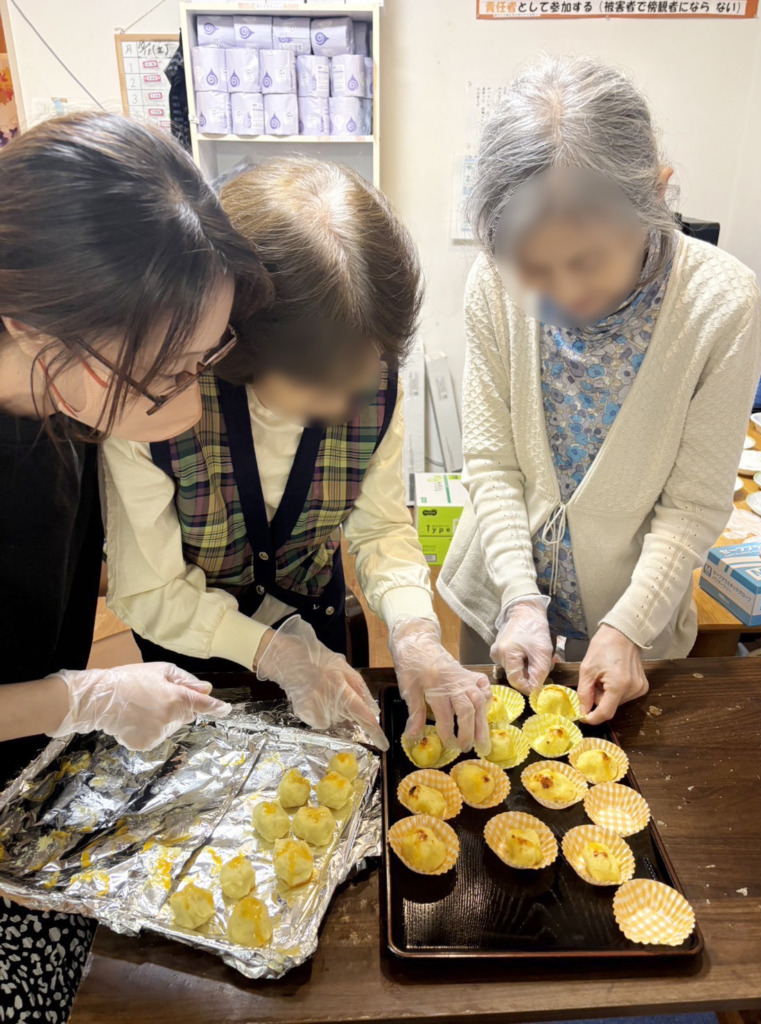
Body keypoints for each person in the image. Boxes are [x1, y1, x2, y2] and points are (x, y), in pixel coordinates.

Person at [0, 111, 271, 1022]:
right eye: (168, 375)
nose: (191, 409)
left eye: (208, 361)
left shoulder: (59, 404)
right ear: (43, 339)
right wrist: (80, 699)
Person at [101, 157, 491, 756]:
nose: (344, 404)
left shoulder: (372, 381)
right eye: (319, 386)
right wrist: (270, 651)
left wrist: (415, 632)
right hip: (196, 659)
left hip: (321, 627)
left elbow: (382, 527)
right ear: (241, 344)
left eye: (361, 377)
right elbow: (150, 591)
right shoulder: (157, 397)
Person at [439, 55, 761, 724]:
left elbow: (693, 504)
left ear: (656, 194)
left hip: (633, 614)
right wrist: (519, 599)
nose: (560, 290)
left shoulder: (722, 305)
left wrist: (628, 629)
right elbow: (495, 465)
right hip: (503, 593)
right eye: (534, 266)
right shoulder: (492, 288)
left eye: (587, 261)